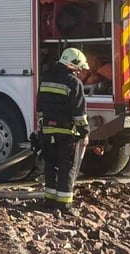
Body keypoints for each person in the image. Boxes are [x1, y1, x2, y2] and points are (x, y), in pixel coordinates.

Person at [37, 47, 90, 214]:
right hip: (66, 134)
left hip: (47, 131)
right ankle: (64, 205)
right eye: (79, 67)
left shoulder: (45, 79)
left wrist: (41, 128)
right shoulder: (74, 83)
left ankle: (49, 201)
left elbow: (40, 107)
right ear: (72, 65)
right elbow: (79, 113)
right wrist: (84, 132)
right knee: (66, 168)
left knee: (50, 166)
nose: (81, 70)